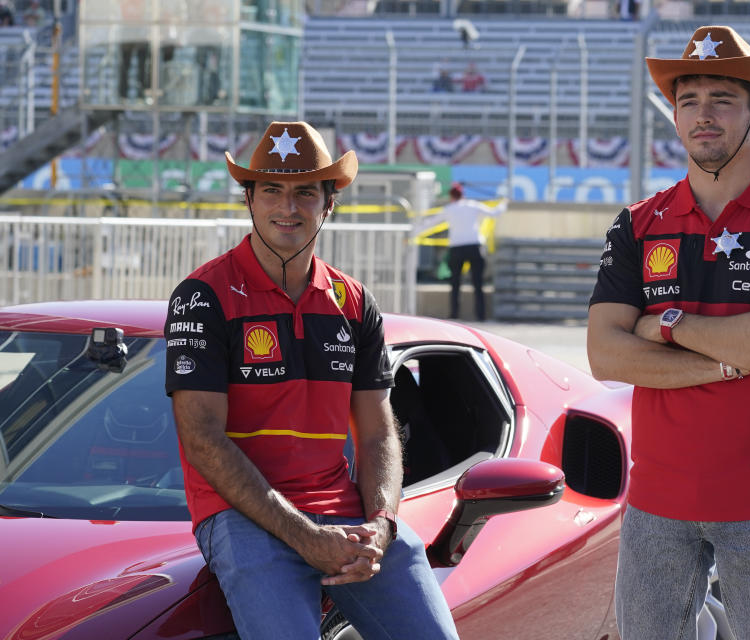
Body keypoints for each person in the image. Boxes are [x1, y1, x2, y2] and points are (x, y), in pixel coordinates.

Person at [586, 26, 750, 640]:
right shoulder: (639, 224)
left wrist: (666, 325)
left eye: (722, 99)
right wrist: (732, 357)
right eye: (688, 100)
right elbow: (606, 354)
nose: (703, 115)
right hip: (657, 500)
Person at [165, 121, 460, 640]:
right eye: (272, 191)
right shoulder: (202, 295)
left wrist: (382, 523)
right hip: (239, 516)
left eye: (306, 192)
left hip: (343, 512)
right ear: (249, 200)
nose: (289, 207)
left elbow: (378, 433)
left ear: (328, 205)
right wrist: (305, 535)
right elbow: (202, 441)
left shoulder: (354, 303)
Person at [422, 182, 506, 321]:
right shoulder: (472, 205)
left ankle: (454, 315)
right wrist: (504, 203)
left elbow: (430, 222)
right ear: (463, 195)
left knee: (455, 283)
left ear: (451, 196)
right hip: (475, 247)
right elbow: (494, 213)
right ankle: (481, 316)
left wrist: (414, 229)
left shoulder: (449, 209)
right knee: (478, 283)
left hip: (457, 248)